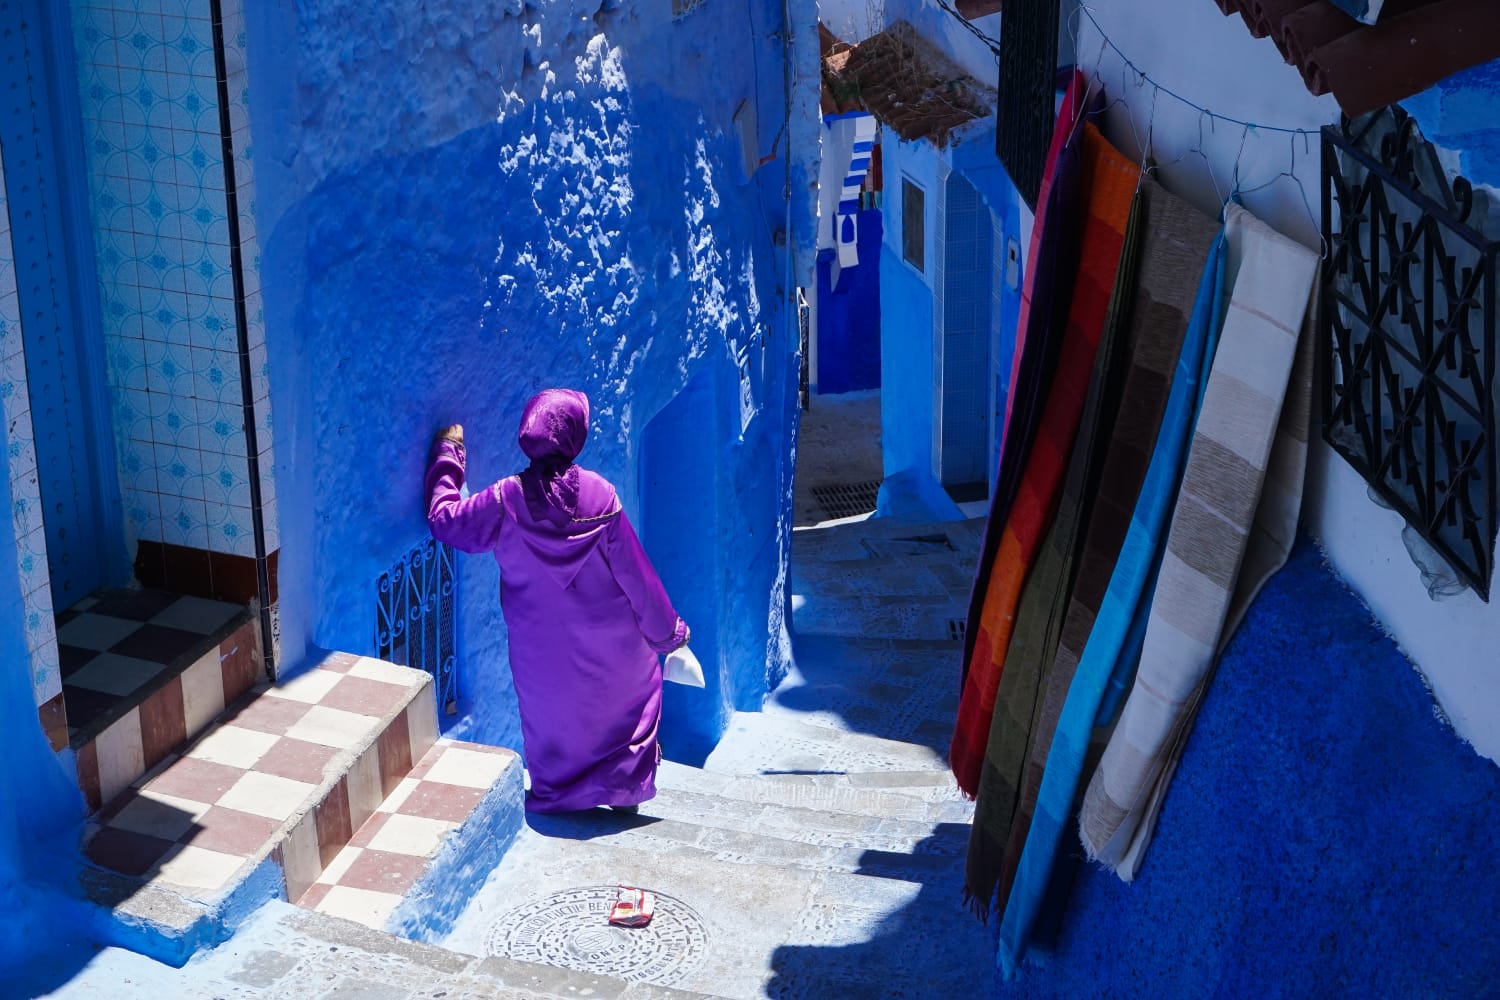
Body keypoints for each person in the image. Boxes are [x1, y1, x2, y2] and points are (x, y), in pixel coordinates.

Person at [424, 388, 690, 813]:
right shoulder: (600, 496)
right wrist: (669, 635)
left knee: (556, 723)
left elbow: (447, 522)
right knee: (623, 717)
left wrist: (448, 456)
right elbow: (638, 578)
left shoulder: (503, 500)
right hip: (614, 648)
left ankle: (561, 798)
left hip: (542, 650)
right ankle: (623, 796)